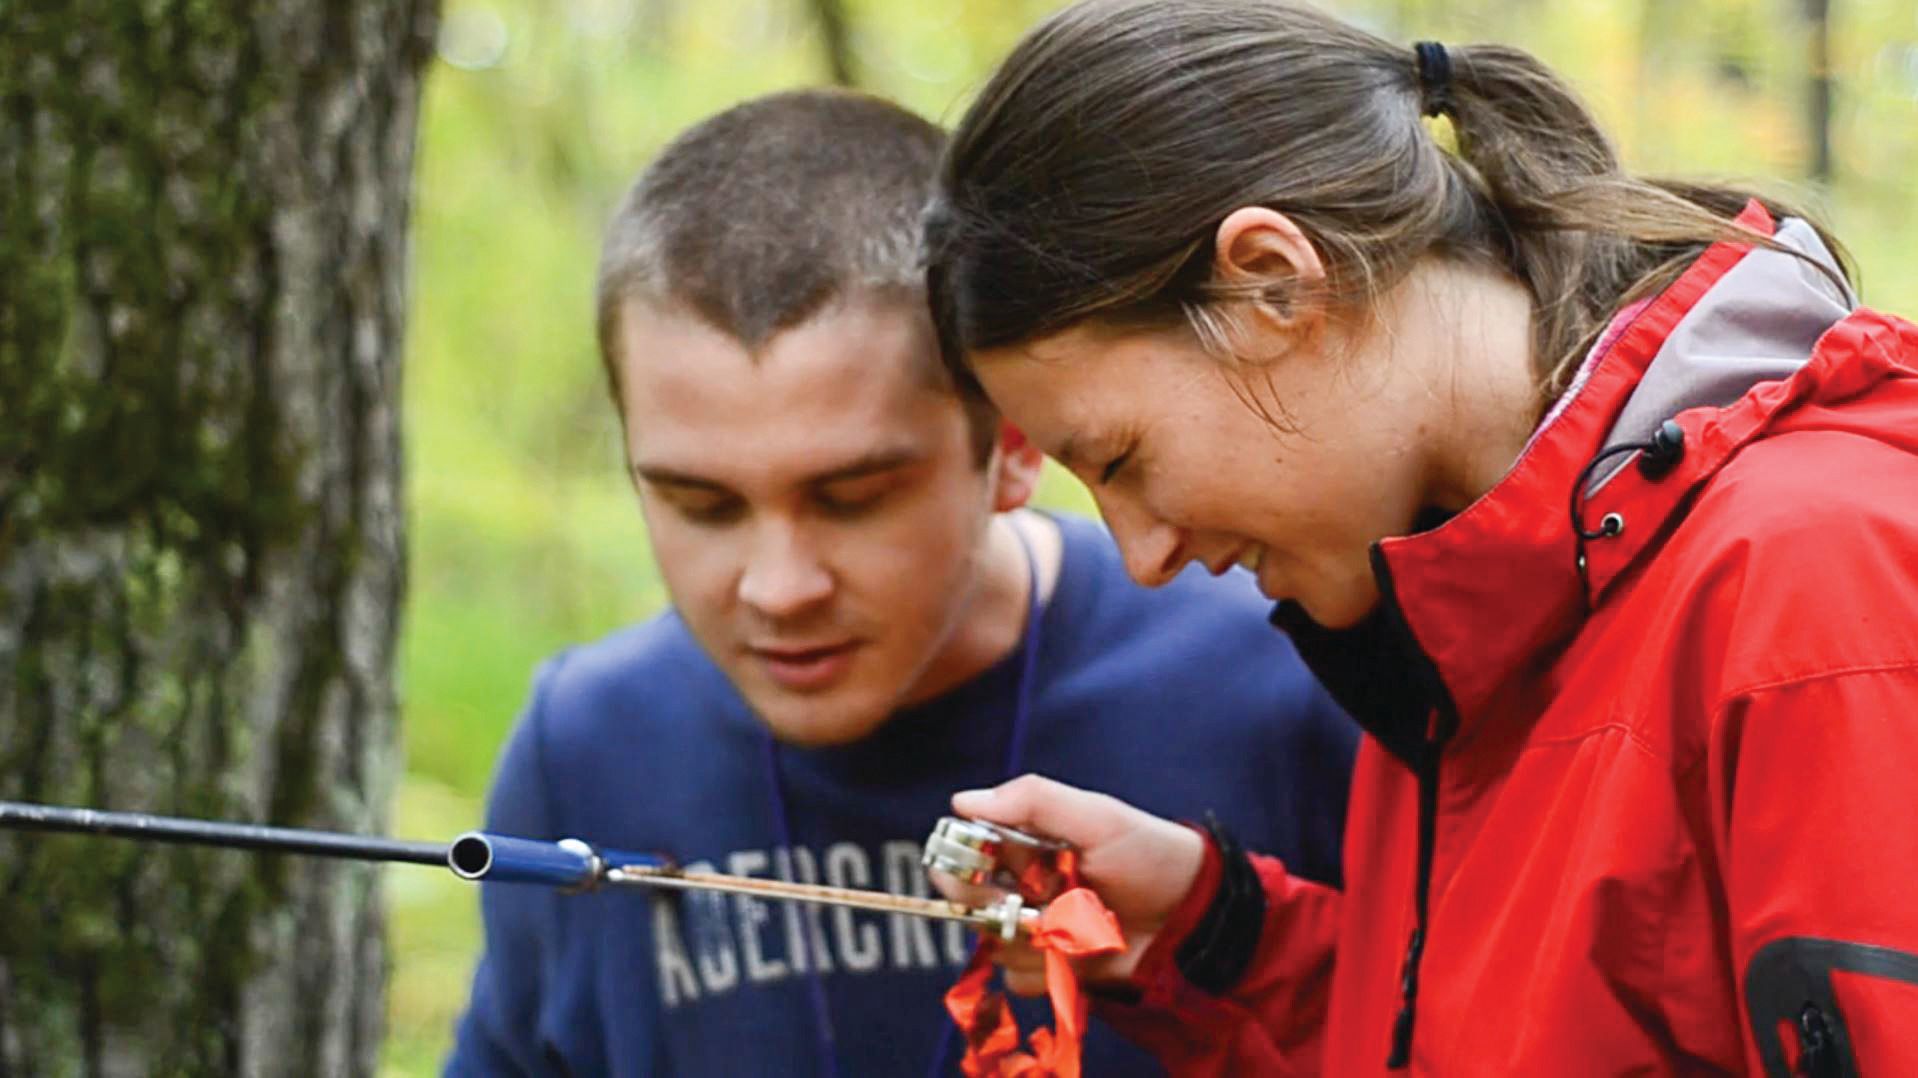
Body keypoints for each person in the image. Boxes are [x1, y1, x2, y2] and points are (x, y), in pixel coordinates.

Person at [924, 1, 1918, 1074]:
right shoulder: (1454, 612)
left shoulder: (1810, 583)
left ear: (1270, 282)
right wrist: (1216, 939)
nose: (1143, 554)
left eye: (1119, 460)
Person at [443, 88, 1357, 1077]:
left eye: (853, 498)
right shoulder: (585, 746)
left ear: (1010, 447)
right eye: (701, 505)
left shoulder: (1282, 687)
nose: (778, 587)